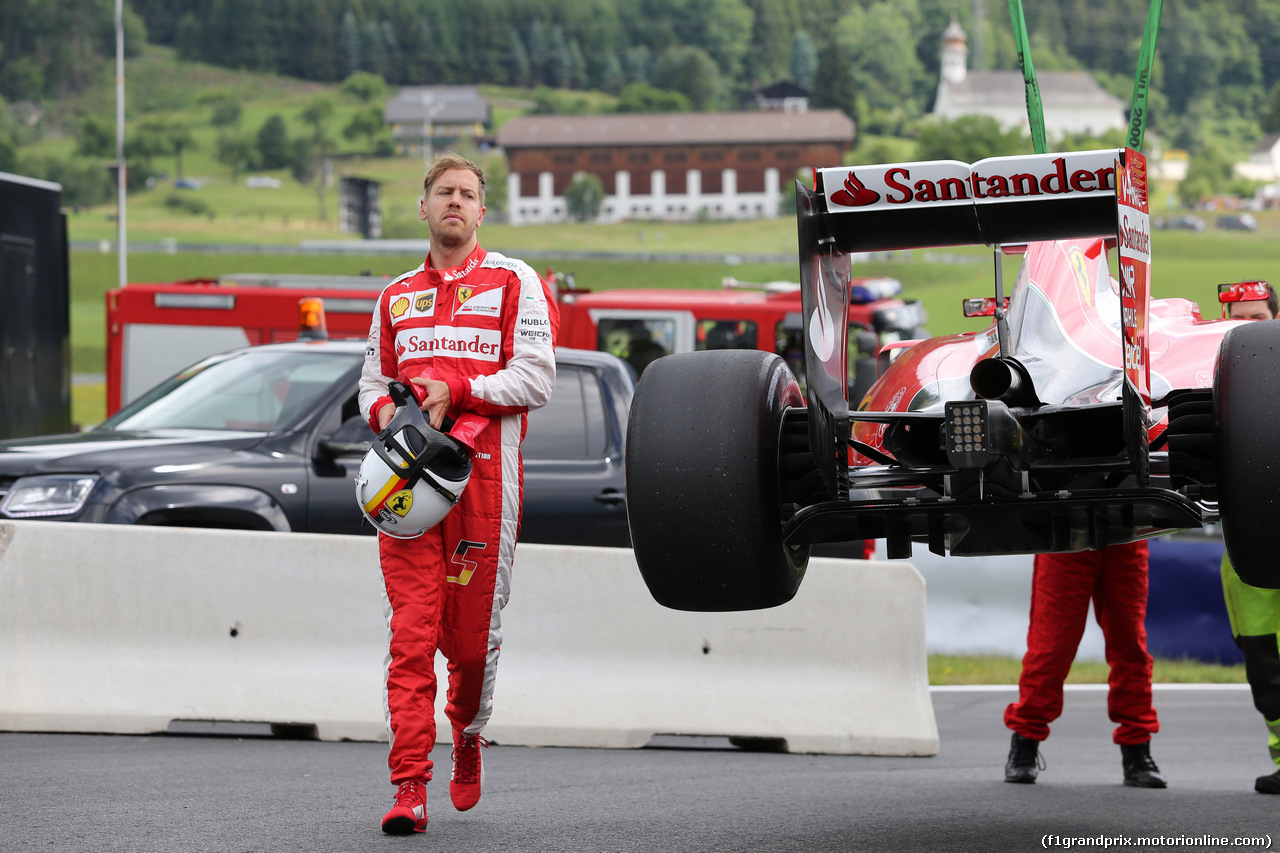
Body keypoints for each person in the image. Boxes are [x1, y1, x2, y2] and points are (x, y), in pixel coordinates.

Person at [358, 152, 558, 835]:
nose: (454, 201)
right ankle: (408, 785)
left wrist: (460, 390)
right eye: (443, 191)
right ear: (424, 207)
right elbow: (369, 385)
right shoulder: (393, 297)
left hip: (483, 486)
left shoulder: (514, 280)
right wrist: (390, 417)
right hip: (408, 493)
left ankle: (467, 732)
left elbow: (536, 379)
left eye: (467, 193)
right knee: (411, 637)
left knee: (470, 646)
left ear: (481, 211)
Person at [1002, 540, 1167, 788]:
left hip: (1127, 536)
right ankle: (1025, 740)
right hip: (1064, 537)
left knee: (1130, 646)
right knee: (1051, 648)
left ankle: (1136, 751)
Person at [1218, 282, 1280, 794]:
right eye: (1237, 319)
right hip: (1250, 553)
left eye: (1258, 317)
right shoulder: (1217, 379)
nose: (1249, 329)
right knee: (1265, 668)